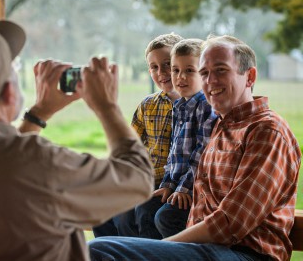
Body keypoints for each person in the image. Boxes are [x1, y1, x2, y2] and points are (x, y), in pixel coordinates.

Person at [0, 20, 155, 261]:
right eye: (13, 68)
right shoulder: (39, 163)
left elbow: (0, 167)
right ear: (9, 92)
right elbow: (138, 178)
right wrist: (106, 107)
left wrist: (38, 114)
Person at [89, 35, 301, 261]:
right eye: (204, 73)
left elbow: (228, 225)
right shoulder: (222, 125)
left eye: (221, 70)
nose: (210, 81)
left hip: (243, 253)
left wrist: (160, 248)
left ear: (249, 77)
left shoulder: (266, 131)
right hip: (207, 248)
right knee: (99, 243)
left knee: (99, 250)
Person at [93, 33, 183, 239]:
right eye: (154, 67)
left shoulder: (193, 105)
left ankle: (134, 252)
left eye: (167, 64)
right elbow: (130, 146)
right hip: (143, 177)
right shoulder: (147, 105)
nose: (161, 72)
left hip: (170, 181)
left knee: (133, 215)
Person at [153, 38, 218, 238]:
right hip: (176, 184)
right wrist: (167, 184)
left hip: (192, 187)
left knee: (165, 217)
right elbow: (174, 154)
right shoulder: (179, 106)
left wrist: (183, 188)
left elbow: (202, 152)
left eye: (190, 70)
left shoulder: (206, 106)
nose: (180, 77)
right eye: (175, 70)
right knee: (139, 208)